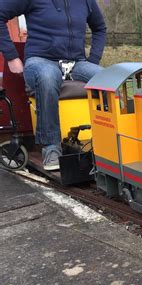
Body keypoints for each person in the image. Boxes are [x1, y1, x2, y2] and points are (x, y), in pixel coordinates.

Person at [0, 0, 107, 170]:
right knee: (48, 77)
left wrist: (93, 60)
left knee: (109, 79)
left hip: (77, 62)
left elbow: (100, 28)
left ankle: (109, 143)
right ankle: (51, 147)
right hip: (40, 60)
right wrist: (12, 57)